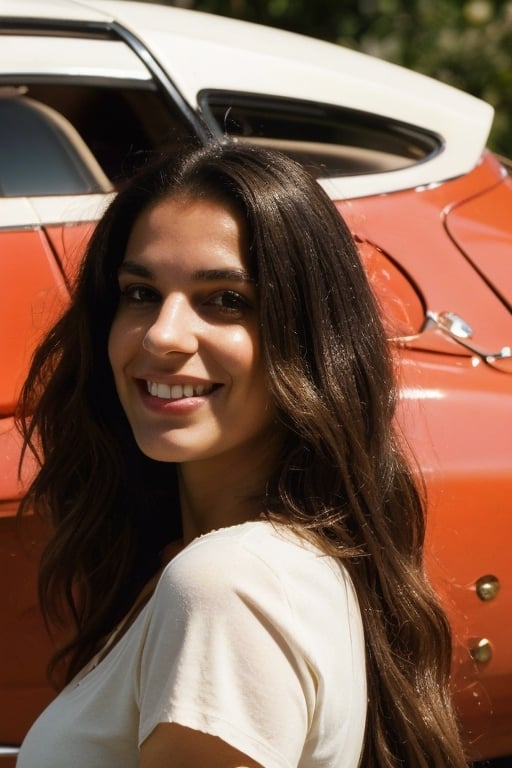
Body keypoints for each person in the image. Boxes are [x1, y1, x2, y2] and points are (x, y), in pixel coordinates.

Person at [15, 142, 467, 767]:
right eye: (140, 292)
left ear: (309, 340)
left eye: (226, 300)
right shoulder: (246, 569)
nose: (163, 335)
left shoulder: (227, 586)